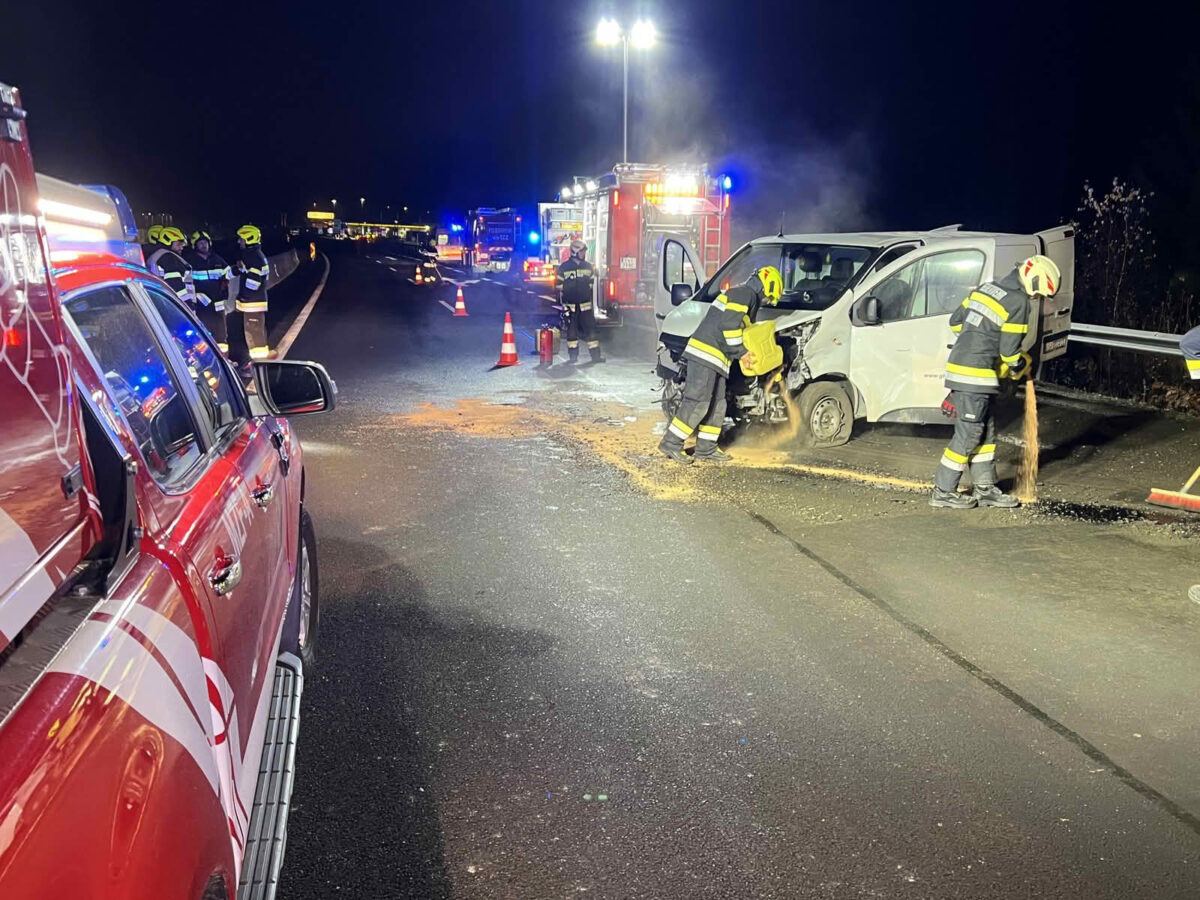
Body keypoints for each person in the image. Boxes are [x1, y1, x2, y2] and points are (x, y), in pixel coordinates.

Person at [931, 254, 1061, 509]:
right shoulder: (1018, 301)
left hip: (972, 371)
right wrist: (1020, 366)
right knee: (970, 433)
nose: (1037, 299)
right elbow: (1010, 354)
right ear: (1034, 282)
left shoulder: (986, 289)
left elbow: (956, 322)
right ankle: (943, 490)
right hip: (974, 373)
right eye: (1039, 294)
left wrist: (977, 343)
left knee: (986, 432)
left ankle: (985, 487)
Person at [658, 266, 782, 464]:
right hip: (706, 355)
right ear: (767, 286)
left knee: (718, 403)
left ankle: (706, 448)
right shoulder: (745, 294)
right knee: (698, 401)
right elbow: (729, 326)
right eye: (768, 297)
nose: (766, 302)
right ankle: (671, 443)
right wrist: (741, 354)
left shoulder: (741, 295)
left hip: (716, 359)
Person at [184, 230, 232, 354]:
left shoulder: (217, 259)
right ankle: (206, 361)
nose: (203, 245)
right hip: (201, 306)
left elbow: (228, 273)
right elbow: (186, 284)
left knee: (221, 335)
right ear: (195, 245)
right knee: (202, 334)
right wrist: (196, 297)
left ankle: (224, 359)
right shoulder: (189, 262)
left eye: (205, 242)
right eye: (200, 243)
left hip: (218, 305)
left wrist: (237, 270)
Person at [558, 239, 603, 364]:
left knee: (591, 330)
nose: (584, 254)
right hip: (570, 306)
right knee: (571, 332)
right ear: (575, 252)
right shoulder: (564, 267)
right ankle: (573, 357)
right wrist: (567, 297)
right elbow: (558, 286)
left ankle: (595, 357)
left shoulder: (588, 266)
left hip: (585, 305)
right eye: (582, 252)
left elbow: (591, 283)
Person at [234, 224, 271, 367]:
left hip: (253, 303)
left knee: (253, 335)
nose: (239, 242)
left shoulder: (253, 257)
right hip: (256, 302)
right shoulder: (255, 255)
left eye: (241, 239)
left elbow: (253, 282)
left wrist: (243, 297)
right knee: (256, 333)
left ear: (249, 238)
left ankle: (258, 366)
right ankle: (260, 362)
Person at [145, 226, 194, 303]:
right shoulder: (168, 258)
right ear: (167, 241)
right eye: (178, 244)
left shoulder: (159, 254)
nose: (181, 248)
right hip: (178, 304)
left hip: (163, 301)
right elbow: (176, 286)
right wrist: (188, 306)